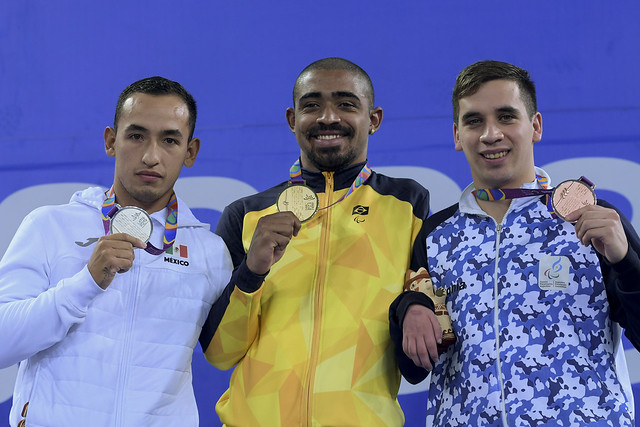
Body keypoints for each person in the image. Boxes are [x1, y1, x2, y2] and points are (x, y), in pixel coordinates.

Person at [389, 60, 640, 426]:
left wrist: (626, 262)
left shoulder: (591, 218)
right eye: (474, 121)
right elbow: (412, 369)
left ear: (535, 126)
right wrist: (407, 307)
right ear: (457, 135)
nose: (491, 134)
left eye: (506, 117)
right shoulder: (435, 235)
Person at [198, 57, 430, 426]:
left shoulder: (408, 204)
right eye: (312, 105)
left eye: (346, 104)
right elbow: (220, 354)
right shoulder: (246, 214)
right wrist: (251, 273)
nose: (328, 117)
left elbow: (423, 334)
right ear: (293, 119)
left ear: (374, 119)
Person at [0, 77, 233, 426]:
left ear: (190, 152)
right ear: (111, 140)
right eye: (137, 136)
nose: (151, 156)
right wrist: (85, 284)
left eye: (169, 140)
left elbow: (227, 355)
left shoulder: (210, 253)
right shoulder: (49, 226)